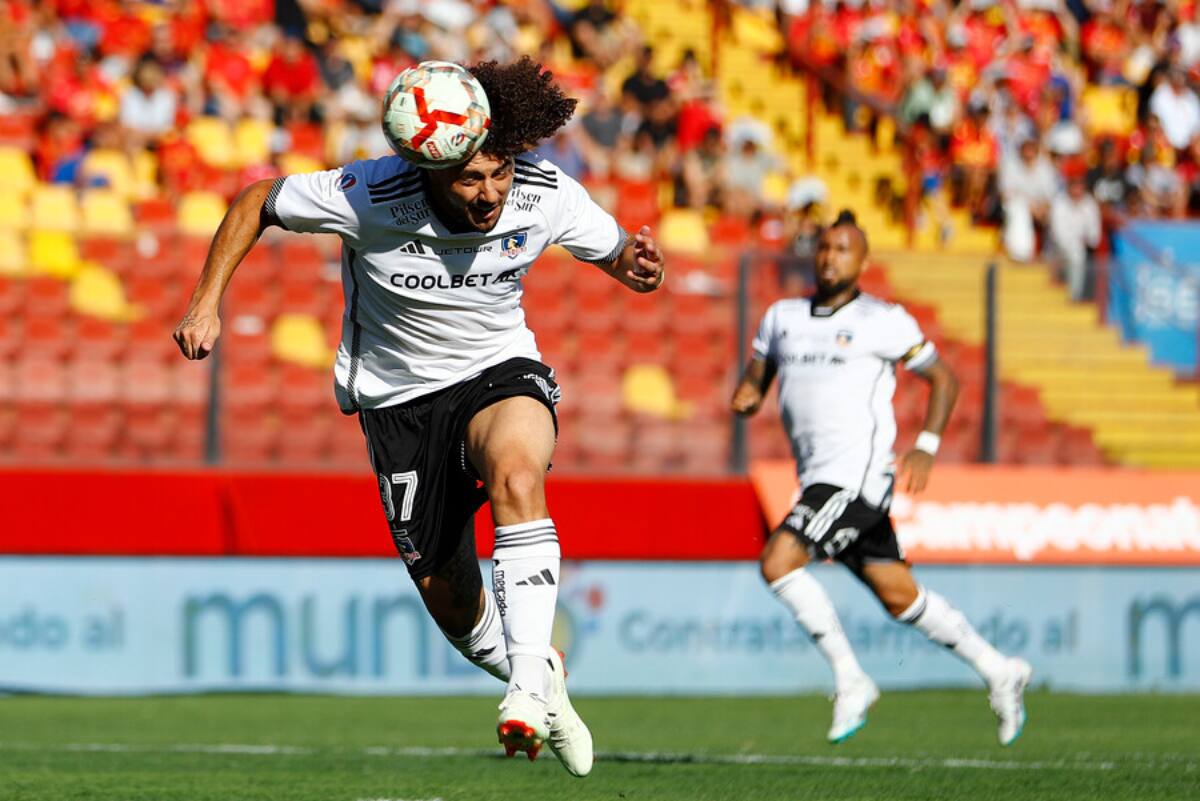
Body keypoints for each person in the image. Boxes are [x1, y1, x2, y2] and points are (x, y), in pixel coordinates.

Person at [173, 56, 666, 776]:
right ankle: (543, 679)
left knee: (519, 468)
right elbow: (257, 200)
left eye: (499, 172)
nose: (490, 191)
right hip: (399, 401)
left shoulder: (544, 192)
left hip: (499, 370)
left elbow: (621, 254)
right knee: (454, 606)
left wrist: (638, 265)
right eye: (470, 178)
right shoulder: (367, 192)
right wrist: (205, 300)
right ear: (430, 168)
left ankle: (527, 685)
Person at [731, 210, 1032, 747]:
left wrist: (927, 444)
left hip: (855, 479)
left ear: (864, 261)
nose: (831, 257)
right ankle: (998, 668)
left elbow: (942, 377)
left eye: (844, 249)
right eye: (825, 247)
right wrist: (749, 393)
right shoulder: (782, 316)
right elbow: (758, 372)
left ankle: (851, 679)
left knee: (778, 562)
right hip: (818, 479)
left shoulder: (883, 320)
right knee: (900, 597)